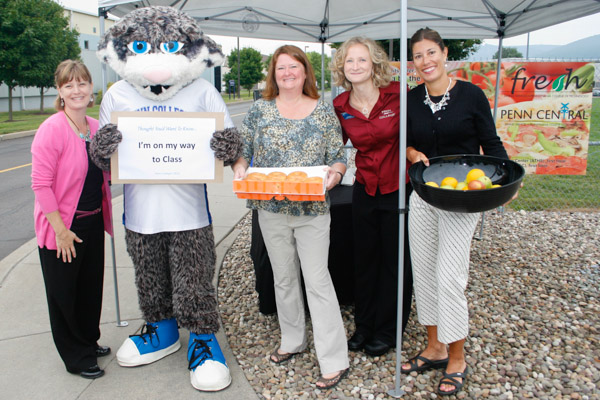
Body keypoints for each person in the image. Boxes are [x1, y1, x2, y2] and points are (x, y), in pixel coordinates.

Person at [232, 45, 350, 390]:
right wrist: (240, 169)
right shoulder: (260, 110)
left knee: (317, 281)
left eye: (293, 67)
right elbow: (244, 152)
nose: (287, 73)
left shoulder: (323, 112)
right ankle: (293, 340)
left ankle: (334, 359)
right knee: (283, 278)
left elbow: (338, 155)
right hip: (271, 209)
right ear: (274, 74)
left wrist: (336, 175)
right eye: (281, 68)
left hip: (313, 211)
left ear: (304, 72)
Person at [402, 28, 510, 396]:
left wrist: (507, 177)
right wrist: (411, 154)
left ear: (444, 53)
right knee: (426, 273)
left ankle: (457, 356)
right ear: (413, 63)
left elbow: (491, 143)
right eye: (418, 56)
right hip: (424, 196)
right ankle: (434, 347)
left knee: (450, 277)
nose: (426, 61)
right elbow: (406, 144)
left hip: (463, 199)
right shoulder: (411, 99)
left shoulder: (471, 95)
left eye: (431, 52)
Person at [330, 36, 414, 357]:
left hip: (398, 191)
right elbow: (332, 147)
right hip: (365, 190)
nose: (355, 66)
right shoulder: (340, 106)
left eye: (362, 60)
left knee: (394, 263)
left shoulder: (398, 96)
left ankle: (389, 330)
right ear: (342, 67)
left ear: (375, 64)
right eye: (349, 61)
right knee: (365, 262)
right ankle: (363, 326)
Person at [31, 60, 113, 379]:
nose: (76, 90)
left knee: (90, 289)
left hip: (92, 221)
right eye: (69, 85)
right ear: (60, 92)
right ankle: (76, 357)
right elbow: (40, 184)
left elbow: (106, 172)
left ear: (91, 88)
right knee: (64, 294)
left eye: (81, 83)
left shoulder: (95, 128)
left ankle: (88, 342)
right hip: (63, 226)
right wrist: (60, 231)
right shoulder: (51, 129)